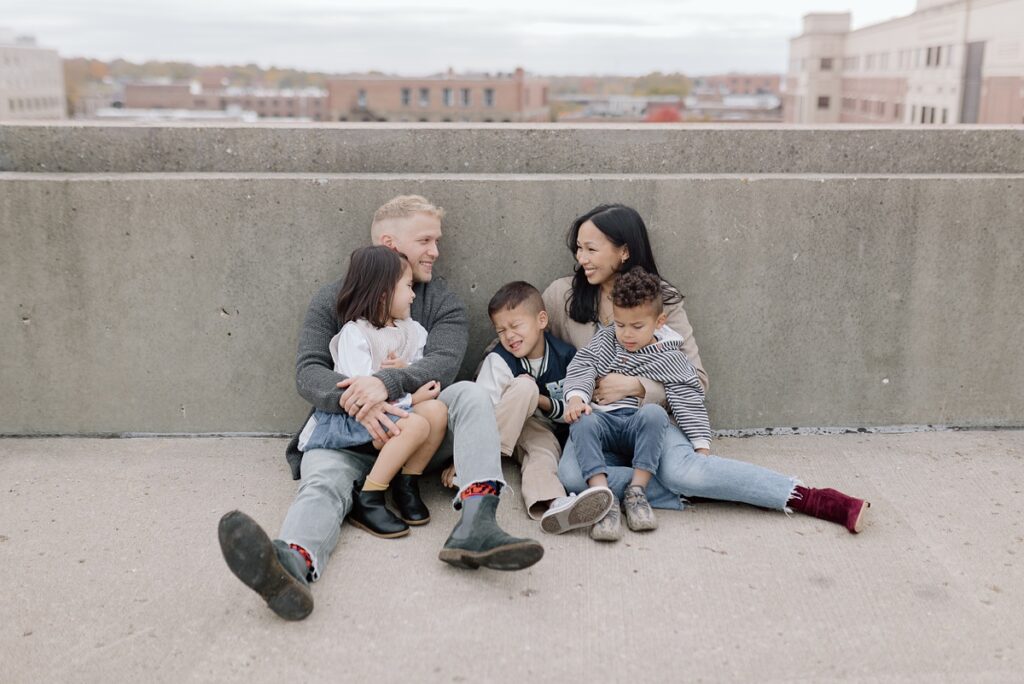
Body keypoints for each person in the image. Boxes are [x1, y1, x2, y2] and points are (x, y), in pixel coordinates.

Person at [218, 195, 543, 622]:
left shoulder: (443, 302)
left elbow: (441, 365)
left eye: (437, 241)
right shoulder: (331, 300)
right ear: (390, 244)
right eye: (425, 240)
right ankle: (292, 564)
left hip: (420, 428)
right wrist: (359, 404)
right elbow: (308, 371)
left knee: (470, 394)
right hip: (347, 435)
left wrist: (383, 384)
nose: (435, 251)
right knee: (323, 485)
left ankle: (477, 525)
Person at [544, 203, 870, 537]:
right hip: (596, 421)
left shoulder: (663, 299)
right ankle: (654, 490)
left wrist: (636, 387)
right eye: (579, 249)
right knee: (571, 476)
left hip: (652, 421)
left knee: (681, 472)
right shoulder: (562, 295)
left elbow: (696, 380)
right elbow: (524, 339)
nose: (581, 258)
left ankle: (810, 498)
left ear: (623, 251)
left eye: (591, 249)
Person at [296, 245, 448, 538]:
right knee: (416, 425)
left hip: (390, 412)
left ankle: (406, 483)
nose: (414, 294)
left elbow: (421, 366)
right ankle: (370, 496)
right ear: (383, 294)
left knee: (437, 412)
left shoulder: (410, 328)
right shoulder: (356, 333)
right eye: (407, 286)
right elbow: (361, 393)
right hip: (354, 419)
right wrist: (412, 398)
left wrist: (405, 369)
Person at [563, 266, 709, 541]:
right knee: (583, 420)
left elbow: (688, 396)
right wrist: (575, 398)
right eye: (620, 325)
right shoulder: (606, 340)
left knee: (654, 413)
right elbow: (583, 364)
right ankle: (602, 498)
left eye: (637, 326)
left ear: (660, 321)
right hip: (603, 420)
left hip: (637, 423)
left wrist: (700, 445)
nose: (627, 334)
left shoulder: (670, 356)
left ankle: (636, 492)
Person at [474, 281, 614, 533]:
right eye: (501, 330)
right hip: (504, 427)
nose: (509, 336)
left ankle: (553, 503)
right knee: (525, 388)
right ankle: (476, 465)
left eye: (515, 326)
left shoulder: (566, 356)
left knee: (542, 453)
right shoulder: (499, 360)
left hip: (544, 429)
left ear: (541, 320)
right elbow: (481, 410)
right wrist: (462, 456)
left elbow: (574, 406)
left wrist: (542, 402)